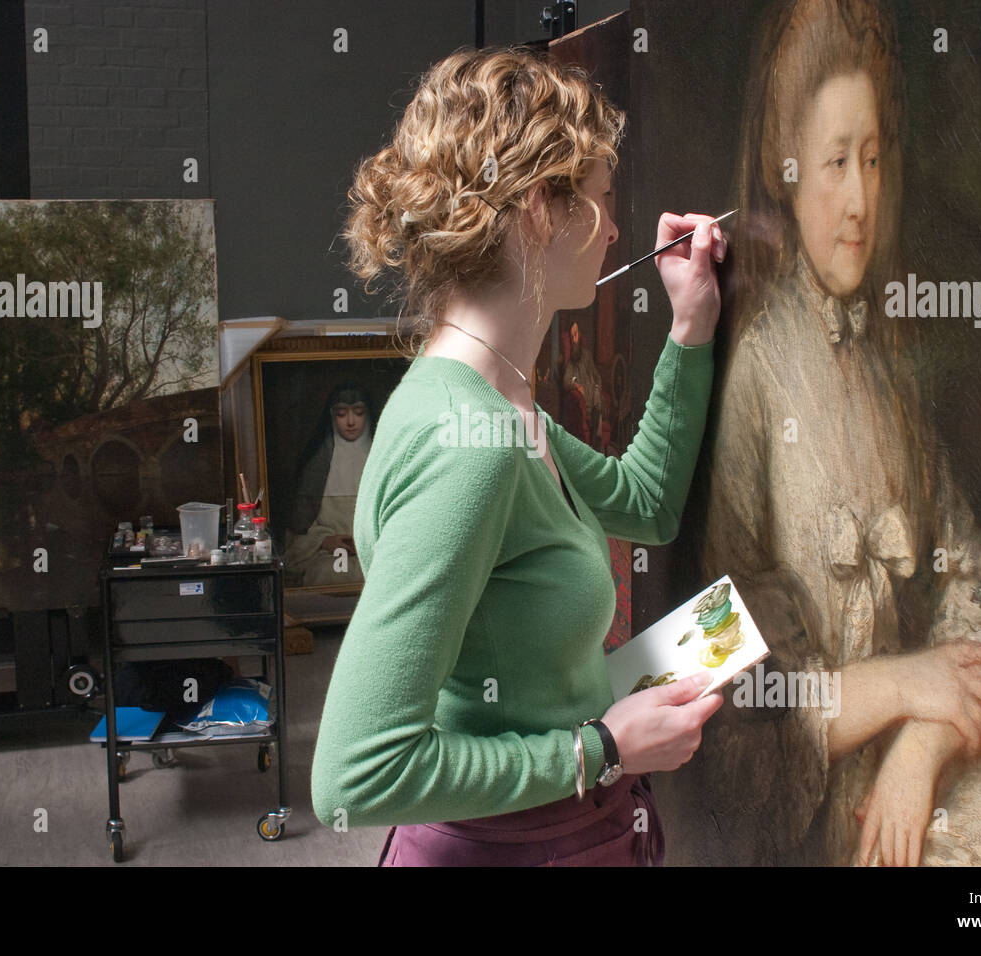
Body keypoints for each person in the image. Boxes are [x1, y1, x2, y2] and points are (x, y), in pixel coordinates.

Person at [660, 0, 981, 867]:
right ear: (786, 166)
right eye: (837, 162)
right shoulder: (751, 376)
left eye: (874, 160)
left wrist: (926, 739)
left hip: (919, 773)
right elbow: (699, 678)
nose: (860, 200)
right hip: (826, 822)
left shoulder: (883, 365)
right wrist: (897, 685)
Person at [310, 45, 730, 866]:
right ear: (543, 207)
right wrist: (603, 750)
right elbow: (353, 777)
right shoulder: (469, 449)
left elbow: (645, 502)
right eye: (604, 200)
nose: (615, 229)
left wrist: (692, 326)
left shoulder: (494, 402)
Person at [282, 382, 374, 586]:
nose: (351, 421)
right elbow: (298, 530)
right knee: (328, 574)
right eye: (342, 414)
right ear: (332, 417)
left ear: (367, 415)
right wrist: (325, 541)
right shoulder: (315, 468)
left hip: (374, 554)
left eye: (358, 412)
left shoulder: (382, 461)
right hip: (327, 555)